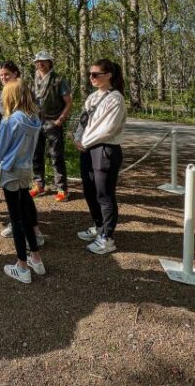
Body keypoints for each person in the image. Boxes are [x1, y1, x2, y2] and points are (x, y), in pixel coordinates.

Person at [0, 61, 44, 245]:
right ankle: (25, 229)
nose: (3, 78)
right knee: (22, 194)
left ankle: (30, 231)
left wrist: (0, 160)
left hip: (18, 152)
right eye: (1, 76)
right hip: (18, 153)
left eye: (7, 75)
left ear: (16, 74)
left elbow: (6, 136)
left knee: (20, 196)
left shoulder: (25, 92)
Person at [0, 79, 47, 283]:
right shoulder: (34, 118)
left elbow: (0, 151)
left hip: (10, 171)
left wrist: (0, 167)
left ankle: (22, 266)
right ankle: (36, 258)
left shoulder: (10, 121)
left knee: (15, 219)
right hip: (26, 170)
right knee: (25, 214)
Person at [74, 58, 127, 255]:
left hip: (105, 149)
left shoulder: (116, 99)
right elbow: (83, 120)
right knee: (89, 190)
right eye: (90, 74)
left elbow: (108, 129)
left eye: (96, 74)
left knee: (104, 193)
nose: (92, 78)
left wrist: (85, 142)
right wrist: (78, 137)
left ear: (108, 75)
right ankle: (98, 226)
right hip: (87, 149)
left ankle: (107, 236)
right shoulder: (92, 97)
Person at [30, 51, 73, 201]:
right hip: (36, 122)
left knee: (56, 155)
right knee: (36, 155)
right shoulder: (32, 80)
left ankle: (62, 189)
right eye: (38, 61)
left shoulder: (58, 80)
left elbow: (68, 103)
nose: (40, 63)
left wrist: (60, 120)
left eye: (43, 61)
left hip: (53, 121)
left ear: (50, 62)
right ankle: (38, 185)